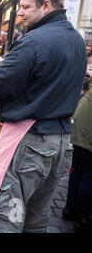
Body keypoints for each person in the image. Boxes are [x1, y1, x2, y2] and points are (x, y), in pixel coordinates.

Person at [0, 0, 87, 233]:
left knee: (5, 214)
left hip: (30, 142)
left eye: (26, 7)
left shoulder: (33, 41)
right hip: (59, 143)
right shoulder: (77, 41)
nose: (21, 13)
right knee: (35, 218)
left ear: (46, 5)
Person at [62, 69, 92, 233]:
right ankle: (82, 217)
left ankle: (70, 209)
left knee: (78, 168)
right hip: (89, 128)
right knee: (89, 173)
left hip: (82, 119)